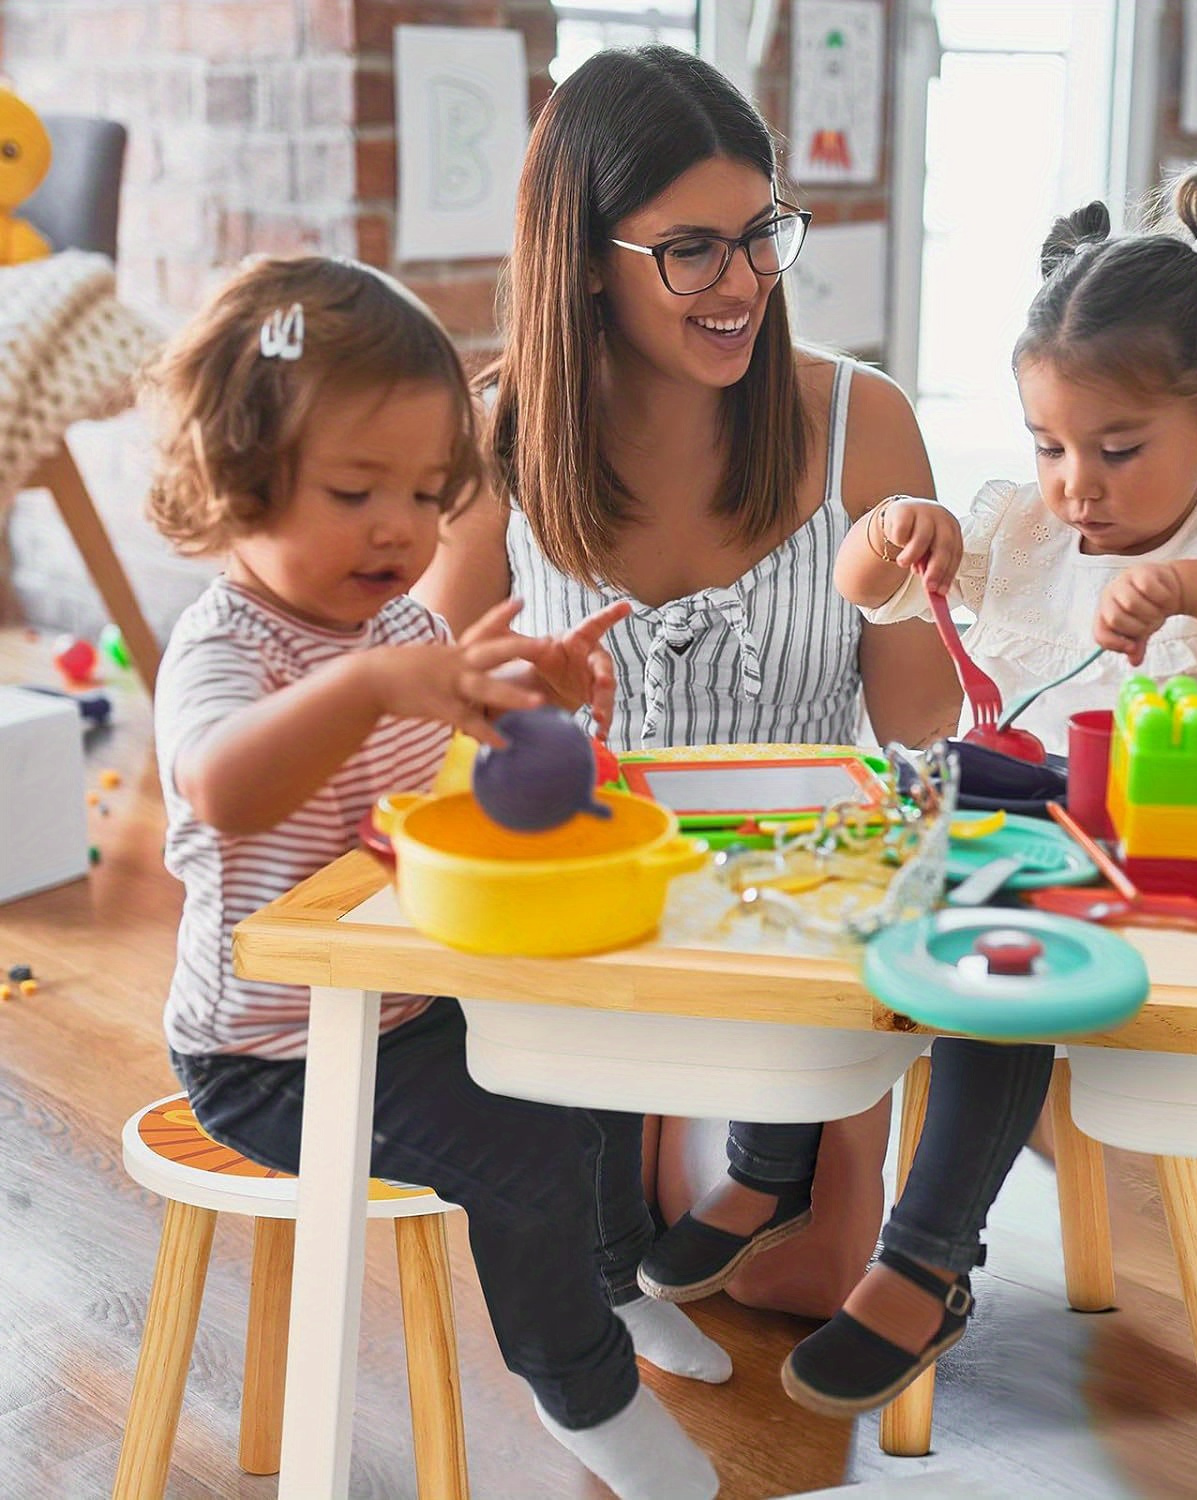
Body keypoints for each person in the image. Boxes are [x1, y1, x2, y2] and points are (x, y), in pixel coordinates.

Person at [760, 147, 1197, 1415]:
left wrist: (1193, 587)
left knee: (999, 943)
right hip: (1013, 851)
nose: (1076, 484)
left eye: (1117, 447)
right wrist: (889, 542)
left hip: (1154, 880)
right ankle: (767, 1160)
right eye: (1048, 446)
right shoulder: (1024, 528)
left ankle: (925, 1264)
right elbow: (861, 594)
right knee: (859, 845)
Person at [416, 44, 967, 1345]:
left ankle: (805, 1177)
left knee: (801, 1269)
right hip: (592, 923)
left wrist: (912, 587)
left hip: (801, 921)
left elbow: (923, 731)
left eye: (763, 234)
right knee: (632, 1243)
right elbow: (425, 723)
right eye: (693, 251)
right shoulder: (491, 439)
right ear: (584, 258)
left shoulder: (859, 421)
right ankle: (661, 1189)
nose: (746, 284)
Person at [144, 254, 719, 1500]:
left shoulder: (398, 629)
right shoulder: (225, 646)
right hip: (271, 1054)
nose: (400, 527)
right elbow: (217, 787)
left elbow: (443, 730)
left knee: (592, 1062)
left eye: (422, 491)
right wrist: (359, 687)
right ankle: (584, 1389)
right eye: (356, 490)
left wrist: (522, 692)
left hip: (402, 994)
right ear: (239, 482)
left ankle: (615, 1286)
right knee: (522, 1149)